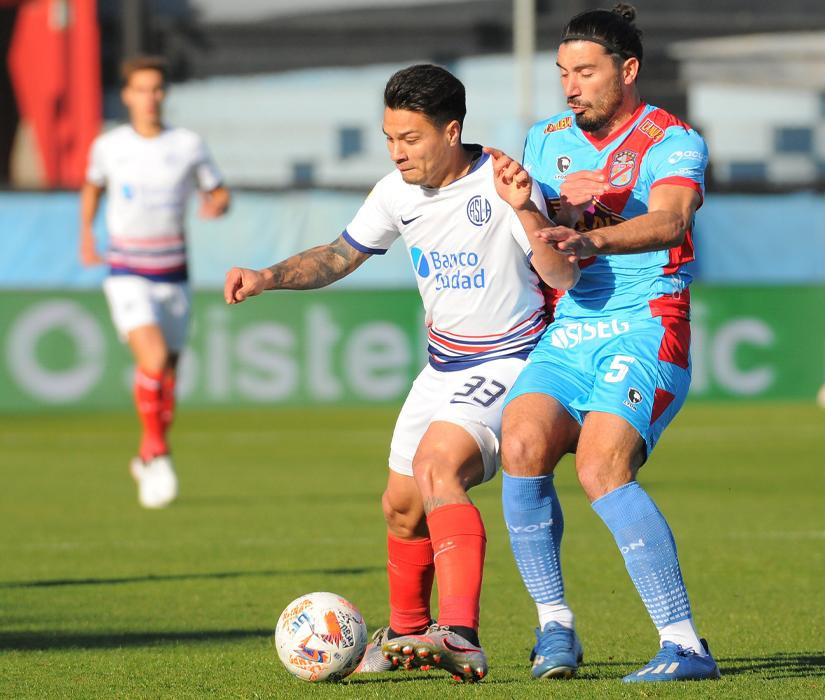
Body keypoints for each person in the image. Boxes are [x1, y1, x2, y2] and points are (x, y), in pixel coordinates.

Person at [223, 64, 576, 682]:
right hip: (441, 365)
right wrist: (268, 277)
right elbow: (339, 254)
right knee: (400, 507)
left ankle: (460, 636)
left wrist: (526, 214)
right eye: (389, 137)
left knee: (437, 467)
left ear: (451, 130)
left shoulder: (504, 184)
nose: (397, 151)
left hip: (509, 359)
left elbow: (560, 276)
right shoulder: (396, 191)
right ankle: (409, 638)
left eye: (410, 138)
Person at [497, 3, 720, 684]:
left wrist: (592, 227)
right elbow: (551, 255)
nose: (571, 85)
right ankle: (554, 630)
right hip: (571, 327)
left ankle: (685, 646)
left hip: (649, 322)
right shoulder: (545, 140)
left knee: (599, 468)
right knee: (521, 444)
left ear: (627, 70)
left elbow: (671, 218)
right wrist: (540, 209)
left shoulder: (673, 140)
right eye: (563, 72)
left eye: (585, 72)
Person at [80, 55, 230, 509]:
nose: (150, 97)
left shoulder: (187, 144)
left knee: (168, 375)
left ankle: (148, 453)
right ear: (127, 95)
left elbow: (217, 189)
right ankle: (156, 450)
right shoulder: (109, 145)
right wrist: (86, 235)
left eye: (157, 89)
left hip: (174, 273)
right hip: (127, 270)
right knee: (154, 356)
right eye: (141, 89)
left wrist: (218, 204)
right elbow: (92, 187)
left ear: (165, 94)